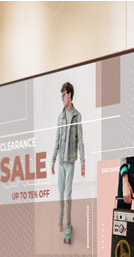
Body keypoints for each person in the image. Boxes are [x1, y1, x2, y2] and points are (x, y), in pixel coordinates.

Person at [51, 82, 86, 235]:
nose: (62, 98)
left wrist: (83, 162)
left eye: (63, 94)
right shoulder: (60, 117)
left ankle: (68, 223)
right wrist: (52, 161)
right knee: (60, 193)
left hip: (70, 162)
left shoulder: (77, 115)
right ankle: (60, 218)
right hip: (60, 163)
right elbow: (56, 140)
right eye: (61, 95)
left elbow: (80, 140)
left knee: (68, 194)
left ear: (69, 94)